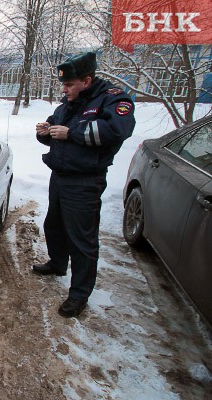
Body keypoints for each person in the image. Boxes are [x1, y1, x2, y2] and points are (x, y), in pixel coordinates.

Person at [33, 52, 136, 318]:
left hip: (84, 181)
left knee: (81, 240)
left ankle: (79, 294)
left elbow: (117, 131)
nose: (64, 89)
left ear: (87, 80)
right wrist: (45, 131)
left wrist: (72, 133)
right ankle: (57, 264)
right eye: (63, 85)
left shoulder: (113, 99)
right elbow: (57, 128)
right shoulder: (70, 102)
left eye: (69, 85)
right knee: (53, 225)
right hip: (60, 176)